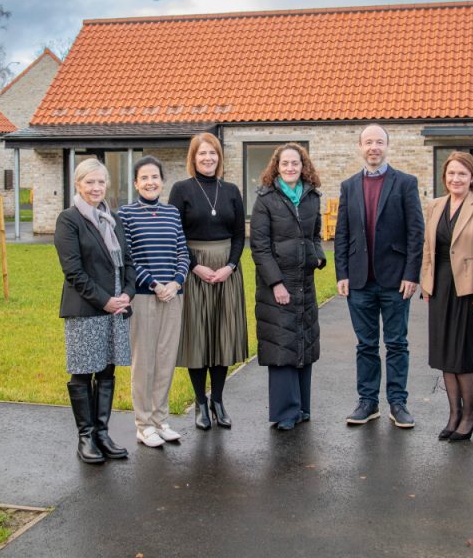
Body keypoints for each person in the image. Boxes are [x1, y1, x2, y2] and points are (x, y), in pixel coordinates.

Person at [334, 124, 425, 428]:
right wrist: (342, 273)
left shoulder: (405, 183)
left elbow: (416, 232)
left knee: (397, 343)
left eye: (379, 142)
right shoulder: (349, 186)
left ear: (387, 146)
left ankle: (397, 403)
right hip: (360, 281)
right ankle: (367, 402)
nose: (374, 147)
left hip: (396, 280)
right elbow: (343, 232)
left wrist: (412, 273)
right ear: (360, 147)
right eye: (368, 142)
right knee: (366, 345)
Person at [53, 158, 135, 464]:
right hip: (87, 307)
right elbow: (73, 271)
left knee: (107, 369)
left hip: (116, 306)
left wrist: (127, 293)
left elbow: (127, 263)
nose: (96, 187)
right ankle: (85, 437)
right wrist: (105, 300)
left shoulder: (113, 219)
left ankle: (102, 433)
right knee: (84, 370)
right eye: (90, 182)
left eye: (101, 182)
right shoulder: (69, 220)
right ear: (78, 185)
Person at [167, 132, 248, 430]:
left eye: (212, 153)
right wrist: (194, 266)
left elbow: (240, 234)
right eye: (202, 154)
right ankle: (200, 402)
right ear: (193, 157)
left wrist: (230, 265)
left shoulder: (231, 190)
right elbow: (175, 235)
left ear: (219, 157)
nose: (208, 159)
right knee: (198, 337)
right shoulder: (181, 190)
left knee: (222, 335)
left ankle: (219, 401)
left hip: (227, 270)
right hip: (194, 270)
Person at [250, 143, 326, 431]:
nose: (291, 168)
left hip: (305, 283)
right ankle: (285, 412)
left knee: (303, 343)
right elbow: (259, 247)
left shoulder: (312, 197)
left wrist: (317, 256)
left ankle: (302, 408)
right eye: (285, 164)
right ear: (277, 167)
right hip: (277, 286)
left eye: (295, 163)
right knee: (282, 346)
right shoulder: (266, 199)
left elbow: (315, 235)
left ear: (303, 165)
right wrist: (276, 283)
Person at [420, 152, 473, 441]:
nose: (456, 179)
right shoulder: (436, 205)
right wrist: (427, 283)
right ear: (444, 177)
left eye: (462, 174)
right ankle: (453, 413)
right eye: (451, 174)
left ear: (472, 177)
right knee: (444, 355)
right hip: (440, 287)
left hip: (467, 290)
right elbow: (429, 248)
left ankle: (470, 413)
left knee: (463, 355)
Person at [120, 156, 189, 448]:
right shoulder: (125, 214)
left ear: (163, 181)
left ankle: (161, 420)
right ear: (136, 183)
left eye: (155, 177)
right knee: (144, 361)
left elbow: (183, 251)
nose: (150, 182)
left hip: (173, 296)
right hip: (146, 298)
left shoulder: (172, 213)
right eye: (144, 178)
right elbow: (129, 258)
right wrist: (155, 284)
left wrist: (176, 282)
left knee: (165, 360)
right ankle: (143, 423)